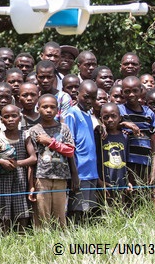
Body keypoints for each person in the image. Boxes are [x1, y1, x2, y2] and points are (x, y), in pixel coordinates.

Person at [28, 95, 75, 228]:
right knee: (42, 217)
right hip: (42, 178)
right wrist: (31, 185)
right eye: (45, 107)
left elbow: (70, 151)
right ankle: (43, 244)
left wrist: (50, 142)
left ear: (57, 110)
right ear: (38, 109)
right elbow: (32, 161)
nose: (48, 110)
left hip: (61, 178)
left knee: (60, 217)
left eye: (52, 107)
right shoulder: (34, 130)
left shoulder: (63, 128)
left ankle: (59, 243)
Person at [0, 104, 35, 231]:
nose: (10, 119)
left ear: (20, 118)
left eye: (14, 116)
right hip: (2, 179)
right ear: (1, 120)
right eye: (6, 117)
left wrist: (17, 164)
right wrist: (0, 161)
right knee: (3, 211)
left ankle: (21, 239)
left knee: (21, 210)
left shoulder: (25, 135)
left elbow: (33, 158)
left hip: (20, 178)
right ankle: (5, 240)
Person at [65, 81, 99, 223]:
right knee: (78, 209)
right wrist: (74, 174)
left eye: (93, 97)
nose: (89, 101)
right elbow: (69, 145)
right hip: (80, 171)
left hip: (91, 171)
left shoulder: (89, 114)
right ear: (77, 94)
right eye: (86, 97)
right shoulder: (72, 114)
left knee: (88, 208)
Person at [118, 76, 155, 187]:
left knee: (143, 198)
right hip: (126, 163)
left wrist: (153, 170)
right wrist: (124, 124)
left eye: (135, 91)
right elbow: (109, 128)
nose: (131, 94)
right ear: (122, 92)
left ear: (141, 91)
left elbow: (153, 145)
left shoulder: (149, 114)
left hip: (145, 164)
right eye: (127, 91)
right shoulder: (119, 111)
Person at [96, 103, 131, 205]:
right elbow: (96, 159)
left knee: (121, 207)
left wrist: (127, 181)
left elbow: (126, 160)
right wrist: (99, 181)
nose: (110, 120)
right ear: (101, 119)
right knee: (106, 208)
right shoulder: (99, 136)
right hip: (105, 182)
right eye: (106, 117)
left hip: (121, 181)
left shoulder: (125, 137)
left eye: (113, 116)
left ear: (120, 118)